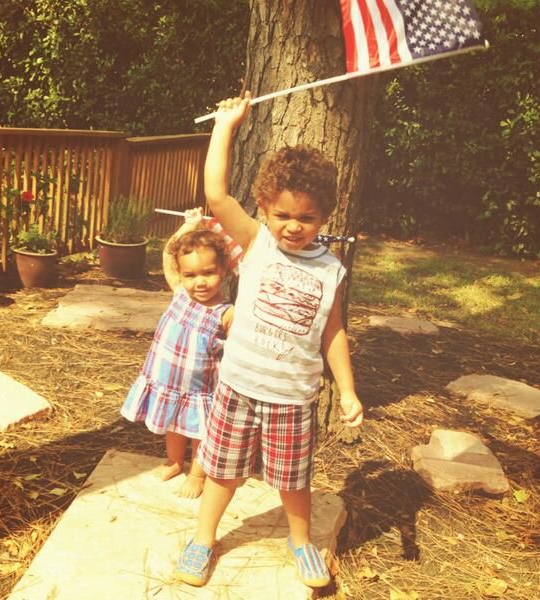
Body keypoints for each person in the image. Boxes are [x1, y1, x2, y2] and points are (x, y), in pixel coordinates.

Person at [175, 91, 363, 587]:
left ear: (325, 216)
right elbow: (217, 195)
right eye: (282, 215)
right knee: (222, 472)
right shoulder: (256, 241)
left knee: (294, 480)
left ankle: (301, 542)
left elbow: (333, 331)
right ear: (264, 207)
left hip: (293, 397)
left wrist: (347, 390)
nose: (293, 226)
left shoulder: (331, 270)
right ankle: (203, 538)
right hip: (238, 388)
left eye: (307, 218)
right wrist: (225, 126)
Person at [121, 212, 233, 498]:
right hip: (168, 382)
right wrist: (188, 226)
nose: (199, 282)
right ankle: (173, 462)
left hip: (200, 390)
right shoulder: (180, 292)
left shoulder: (226, 313)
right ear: (181, 275)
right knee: (174, 424)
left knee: (199, 432)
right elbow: (168, 254)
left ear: (224, 270)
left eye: (208, 273)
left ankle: (197, 473)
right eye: (190, 275)